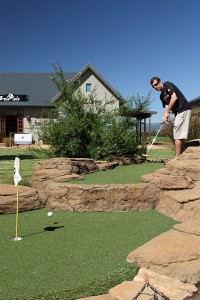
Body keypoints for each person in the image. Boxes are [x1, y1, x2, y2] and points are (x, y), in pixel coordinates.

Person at [150, 77, 191, 159]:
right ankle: (182, 155)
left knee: (177, 134)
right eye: (153, 86)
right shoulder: (161, 96)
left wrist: (166, 112)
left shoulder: (167, 84)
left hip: (183, 109)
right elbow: (167, 105)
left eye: (156, 84)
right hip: (177, 113)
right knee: (179, 133)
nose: (155, 87)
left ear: (160, 81)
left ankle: (177, 157)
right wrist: (166, 115)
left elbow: (174, 97)